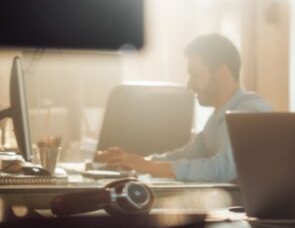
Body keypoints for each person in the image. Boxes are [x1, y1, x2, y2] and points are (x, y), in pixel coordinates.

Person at [94, 34, 271, 182]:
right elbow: (187, 155)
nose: (189, 85)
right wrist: (132, 160)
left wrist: (148, 166)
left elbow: (222, 169)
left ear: (222, 73)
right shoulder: (216, 120)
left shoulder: (251, 109)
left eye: (195, 75)